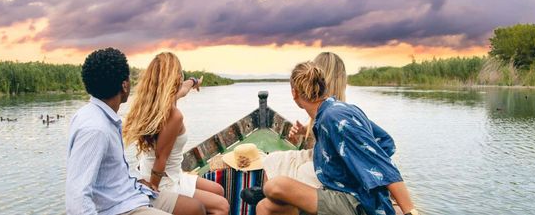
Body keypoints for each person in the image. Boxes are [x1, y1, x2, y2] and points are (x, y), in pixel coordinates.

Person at [250, 62, 419, 215]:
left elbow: (383, 165)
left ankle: (269, 193)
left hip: (357, 202)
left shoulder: (334, 117)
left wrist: (410, 212)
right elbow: (385, 141)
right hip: (339, 188)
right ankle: (273, 198)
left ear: (294, 93)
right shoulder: (334, 110)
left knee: (275, 186)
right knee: (264, 207)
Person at [65, 48, 206, 215]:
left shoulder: (98, 115)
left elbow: (111, 169)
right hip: (117, 207)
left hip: (130, 191)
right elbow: (77, 199)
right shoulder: (96, 129)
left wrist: (136, 180)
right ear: (124, 86)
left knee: (196, 209)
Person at [123, 52, 230, 215]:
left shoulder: (158, 102)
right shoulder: (173, 115)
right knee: (221, 206)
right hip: (163, 181)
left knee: (218, 190)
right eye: (180, 71)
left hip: (172, 174)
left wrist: (194, 81)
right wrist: (153, 193)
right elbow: (160, 158)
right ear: (174, 77)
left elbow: (185, 88)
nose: (182, 76)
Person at [262, 52, 347, 188]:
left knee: (296, 169)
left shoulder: (335, 113)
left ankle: (273, 201)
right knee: (272, 160)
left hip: (328, 164)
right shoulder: (328, 108)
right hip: (319, 155)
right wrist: (304, 130)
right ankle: (269, 199)